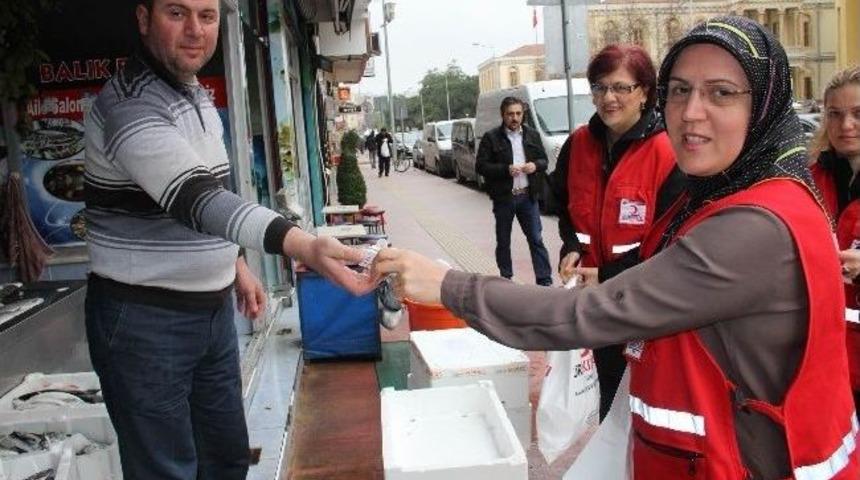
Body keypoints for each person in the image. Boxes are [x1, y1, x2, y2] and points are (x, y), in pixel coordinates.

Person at [375, 16, 858, 479]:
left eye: (722, 93)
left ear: (766, 105)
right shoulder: (732, 189)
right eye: (680, 90)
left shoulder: (754, 226)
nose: (691, 112)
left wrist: (449, 286)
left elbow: (589, 313)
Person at [83, 1, 373, 478]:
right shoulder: (129, 104)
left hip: (211, 313)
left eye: (208, 15)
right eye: (177, 14)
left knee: (226, 459)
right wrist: (303, 244)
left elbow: (213, 188)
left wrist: (236, 264)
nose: (196, 30)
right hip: (143, 321)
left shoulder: (195, 95)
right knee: (165, 468)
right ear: (143, 19)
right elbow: (194, 199)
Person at [550, 44, 684, 420]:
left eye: (621, 88)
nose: (608, 98)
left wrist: (609, 276)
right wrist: (571, 246)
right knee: (605, 400)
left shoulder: (668, 152)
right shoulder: (578, 144)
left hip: (643, 305)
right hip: (592, 302)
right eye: (600, 87)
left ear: (644, 92)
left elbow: (674, 240)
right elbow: (562, 207)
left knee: (644, 404)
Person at [809, 66, 860, 408]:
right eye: (835, 114)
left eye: (858, 114)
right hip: (825, 361)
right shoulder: (808, 179)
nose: (846, 125)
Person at [476, 97, 553, 286]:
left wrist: (535, 165)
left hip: (528, 196)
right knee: (503, 240)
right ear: (503, 115)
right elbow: (481, 166)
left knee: (536, 238)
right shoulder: (491, 137)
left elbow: (544, 161)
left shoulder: (532, 135)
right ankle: (506, 278)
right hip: (504, 198)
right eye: (510, 114)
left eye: (518, 113)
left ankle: (544, 280)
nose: (515, 118)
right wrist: (505, 169)